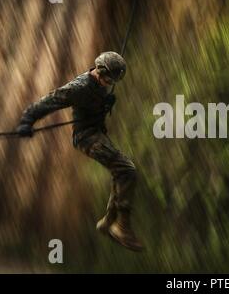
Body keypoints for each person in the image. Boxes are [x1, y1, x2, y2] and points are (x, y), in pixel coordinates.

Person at [16, 51, 144, 251]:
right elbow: (51, 100)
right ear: (100, 72)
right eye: (109, 79)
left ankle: (110, 222)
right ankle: (121, 226)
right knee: (127, 170)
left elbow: (93, 103)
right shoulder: (79, 87)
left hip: (97, 133)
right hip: (86, 138)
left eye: (114, 80)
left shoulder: (101, 83)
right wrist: (27, 120)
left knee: (122, 172)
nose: (110, 83)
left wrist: (104, 105)